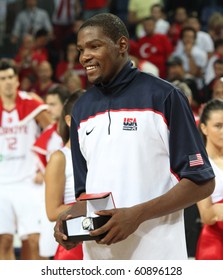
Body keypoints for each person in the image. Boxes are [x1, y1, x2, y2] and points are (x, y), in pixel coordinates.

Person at [54, 13, 215, 260]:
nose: (84, 56)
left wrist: (136, 215)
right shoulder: (81, 109)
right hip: (99, 259)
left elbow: (201, 182)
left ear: (121, 45)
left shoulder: (164, 97)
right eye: (80, 49)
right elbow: (85, 194)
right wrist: (69, 219)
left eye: (94, 46)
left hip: (156, 256)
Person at [0, 58, 51, 259]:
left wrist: (43, 168)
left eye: (11, 77)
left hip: (29, 182)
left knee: (33, 242)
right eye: (3, 78)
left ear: (18, 80)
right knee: (3, 241)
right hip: (2, 184)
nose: (8, 82)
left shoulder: (32, 103)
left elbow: (54, 133)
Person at [45, 90, 84, 260]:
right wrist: (93, 205)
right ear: (69, 121)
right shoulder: (59, 157)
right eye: (86, 115)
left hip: (101, 240)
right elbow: (52, 211)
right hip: (73, 244)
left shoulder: (101, 154)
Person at [32, 85, 70, 259]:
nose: (48, 109)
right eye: (47, 104)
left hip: (71, 199)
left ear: (65, 106)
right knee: (49, 251)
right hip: (51, 200)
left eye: (53, 104)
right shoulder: (46, 135)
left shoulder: (76, 132)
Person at [196, 98, 223, 260]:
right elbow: (206, 215)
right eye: (218, 126)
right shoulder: (200, 164)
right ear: (204, 128)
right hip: (214, 242)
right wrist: (217, 210)